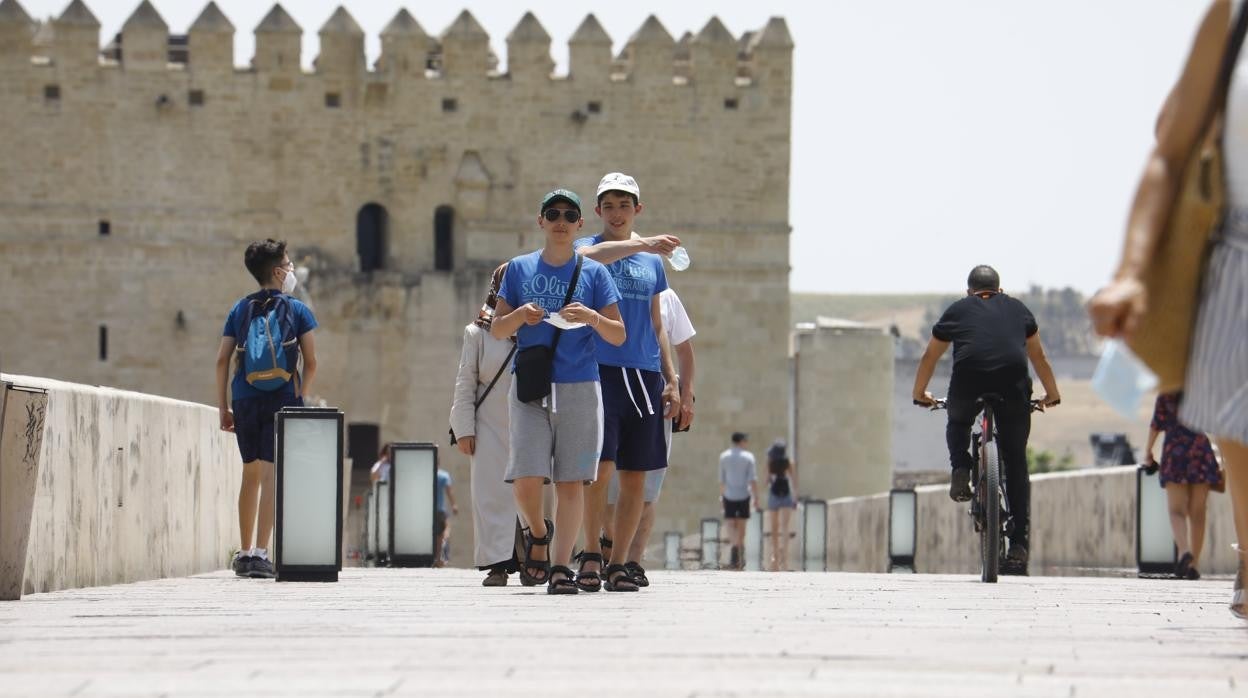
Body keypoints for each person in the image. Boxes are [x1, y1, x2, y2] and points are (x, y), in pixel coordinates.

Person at [1087, 0, 1248, 618]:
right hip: (1237, 262)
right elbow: (1169, 151)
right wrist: (1131, 274)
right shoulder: (1232, 18)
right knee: (1239, 431)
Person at [492, 188, 625, 595]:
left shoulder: (594, 274)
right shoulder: (518, 269)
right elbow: (498, 329)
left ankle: (560, 567)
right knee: (526, 478)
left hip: (580, 385)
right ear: (541, 221)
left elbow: (618, 335)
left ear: (580, 224)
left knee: (571, 482)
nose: (561, 221)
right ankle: (537, 532)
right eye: (553, 214)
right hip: (531, 385)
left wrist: (589, 316)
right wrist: (519, 314)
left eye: (570, 215)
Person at [912, 265, 1060, 572]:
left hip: (969, 381)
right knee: (1016, 461)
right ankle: (1019, 540)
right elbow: (1038, 357)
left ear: (969, 291)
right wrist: (1052, 394)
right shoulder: (1019, 310)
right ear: (1000, 289)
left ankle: (961, 467)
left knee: (958, 420)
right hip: (1012, 384)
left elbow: (930, 355)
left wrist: (920, 393)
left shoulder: (958, 310)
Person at [573, 172, 680, 593]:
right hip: (598, 370)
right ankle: (591, 553)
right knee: (598, 469)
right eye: (609, 206)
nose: (617, 213)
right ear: (598, 211)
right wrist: (642, 242)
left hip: (645, 374)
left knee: (636, 472)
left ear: (638, 209)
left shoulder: (653, 264)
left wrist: (671, 380)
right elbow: (592, 258)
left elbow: (657, 324)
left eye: (625, 205)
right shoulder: (587, 249)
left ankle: (619, 561)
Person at [215, 239, 318, 579]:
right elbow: (312, 362)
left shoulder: (239, 309)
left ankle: (243, 553)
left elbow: (221, 361)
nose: (291, 271)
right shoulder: (298, 309)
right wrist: (299, 400)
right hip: (282, 397)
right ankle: (261, 552)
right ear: (277, 272)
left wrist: (223, 408)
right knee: (272, 474)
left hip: (244, 397)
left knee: (250, 474)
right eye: (288, 266)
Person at [602, 287, 696, 586]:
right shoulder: (604, 286)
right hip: (611, 392)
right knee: (606, 481)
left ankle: (632, 560)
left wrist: (685, 391)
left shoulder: (667, 297)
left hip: (655, 398)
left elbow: (684, 349)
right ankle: (611, 548)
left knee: (648, 484)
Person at [450, 263, 519, 586]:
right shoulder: (476, 333)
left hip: (530, 421)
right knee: (490, 495)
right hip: (489, 424)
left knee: (534, 493)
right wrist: (463, 428)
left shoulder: (540, 327)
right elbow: (465, 382)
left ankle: (535, 559)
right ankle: (497, 565)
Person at [1146, 392, 1223, 580]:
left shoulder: (1166, 391)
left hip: (1175, 452)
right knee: (1198, 512)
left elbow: (1156, 424)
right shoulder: (1202, 388)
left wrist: (1148, 452)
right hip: (1200, 451)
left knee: (1176, 511)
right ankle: (1194, 565)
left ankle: (1184, 552)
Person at [719, 432, 759, 570]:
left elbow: (722, 479)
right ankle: (739, 551)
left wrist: (721, 497)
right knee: (742, 526)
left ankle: (735, 549)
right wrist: (756, 498)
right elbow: (752, 479)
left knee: (730, 523)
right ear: (741, 441)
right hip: (743, 495)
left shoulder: (724, 456)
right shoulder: (748, 457)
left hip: (729, 494)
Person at [765, 439, 798, 572]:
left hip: (774, 494)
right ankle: (785, 554)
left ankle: (775, 554)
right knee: (785, 526)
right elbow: (794, 481)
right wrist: (795, 498)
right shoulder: (789, 462)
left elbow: (766, 480)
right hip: (786, 494)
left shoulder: (770, 462)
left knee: (774, 527)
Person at [433, 467, 458, 568]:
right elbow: (449, 491)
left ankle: (436, 558)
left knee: (435, 534)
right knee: (441, 534)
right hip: (440, 509)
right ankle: (439, 558)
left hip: (427, 510)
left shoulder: (426, 474)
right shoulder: (443, 475)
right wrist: (454, 505)